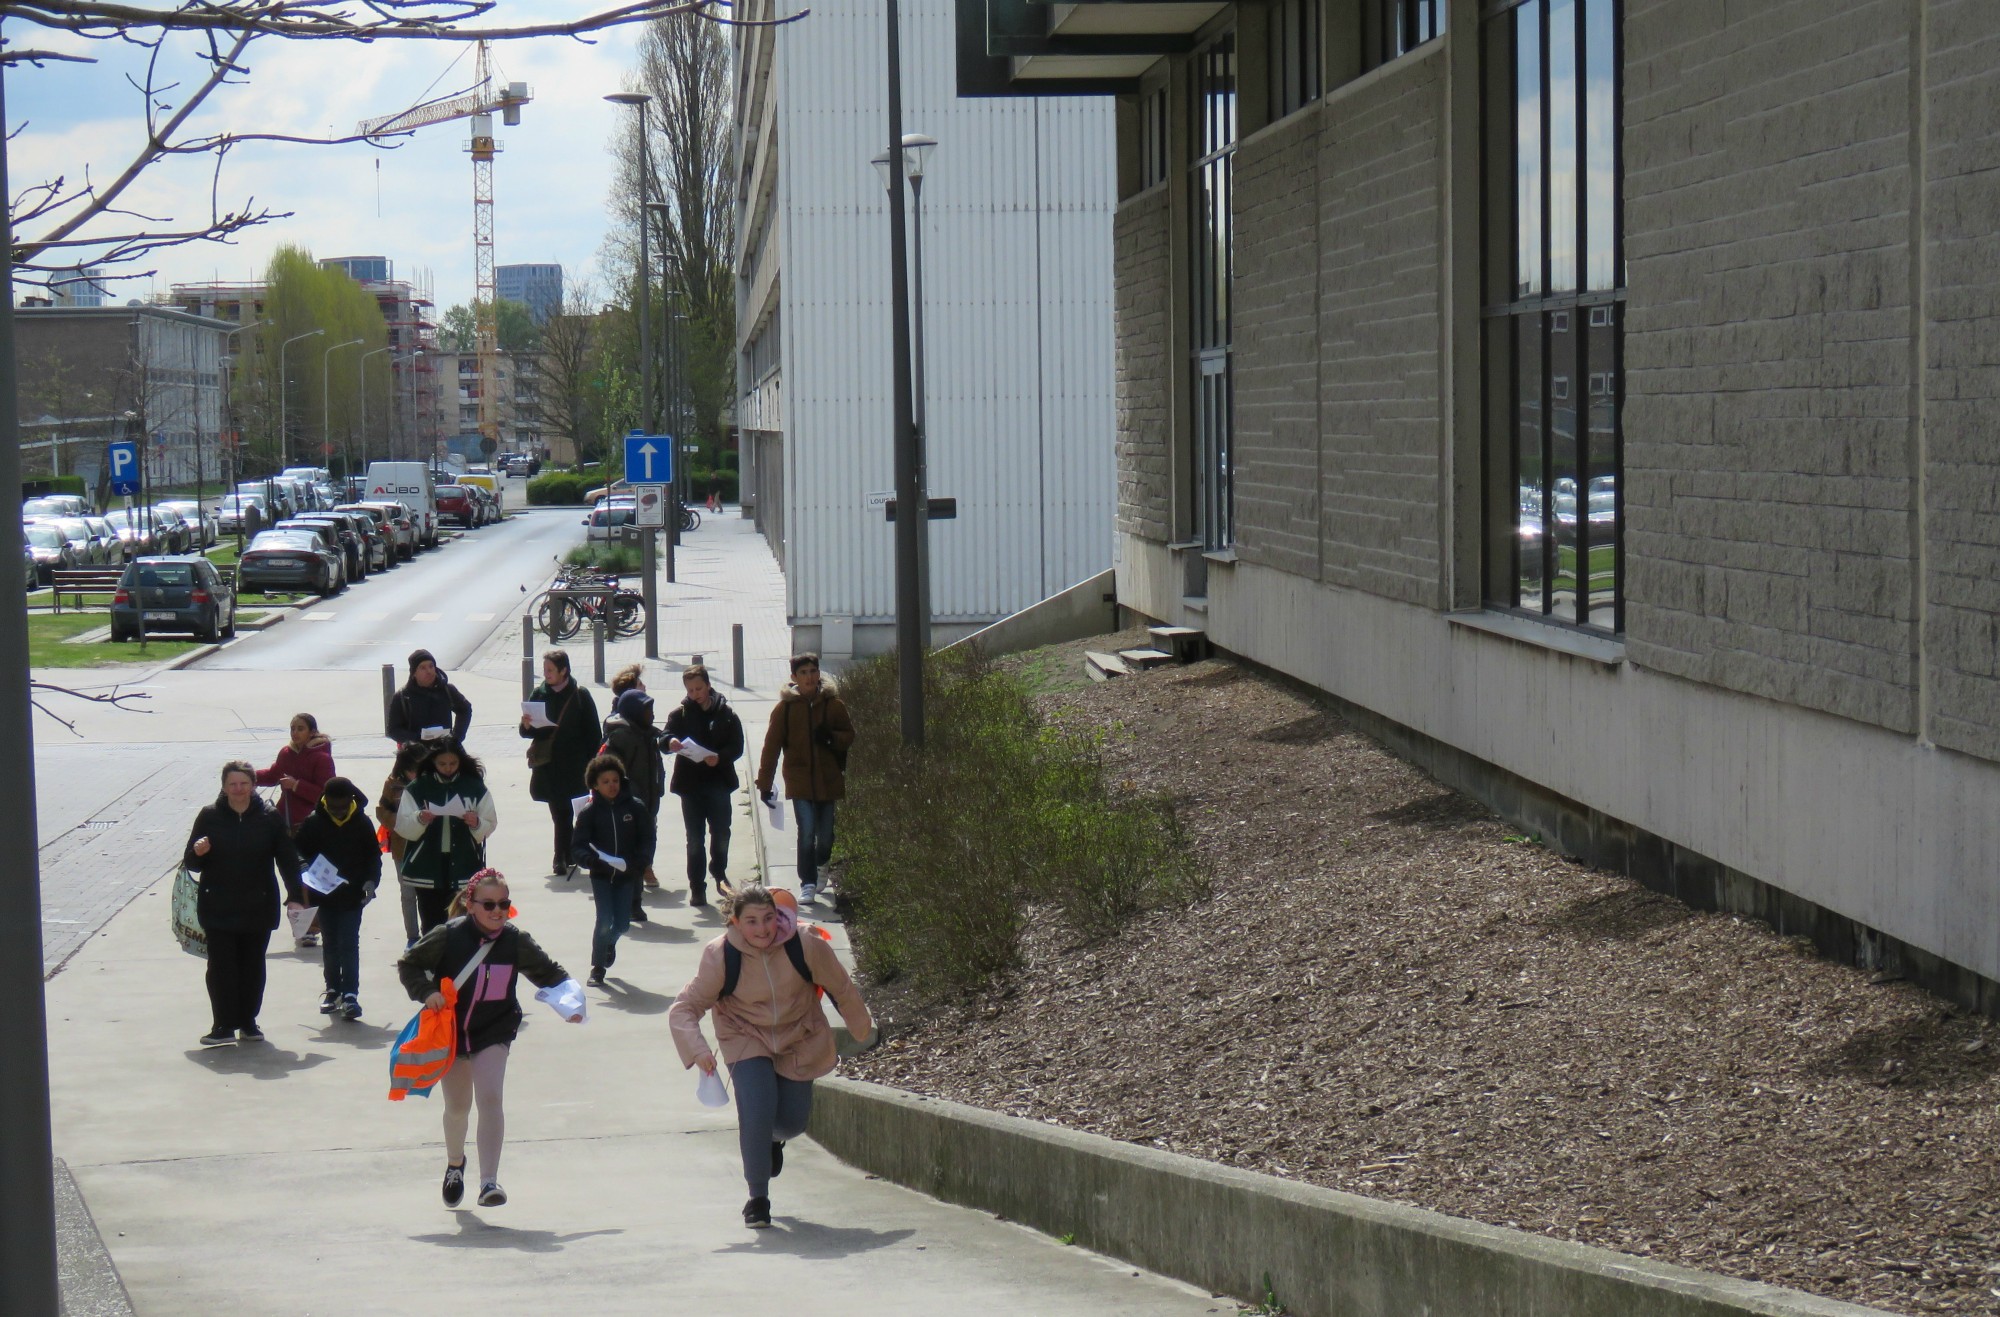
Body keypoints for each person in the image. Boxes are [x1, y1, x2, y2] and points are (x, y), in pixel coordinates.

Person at [668, 883, 875, 1228]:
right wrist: (699, 1051)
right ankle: (758, 1198)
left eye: (768, 918)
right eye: (751, 921)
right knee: (757, 1109)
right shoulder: (720, 955)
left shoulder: (805, 943)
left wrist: (860, 1028)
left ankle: (774, 1140)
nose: (762, 929)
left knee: (792, 1122)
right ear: (734, 922)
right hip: (745, 1036)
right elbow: (684, 1008)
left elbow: (840, 985)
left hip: (798, 1036)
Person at [397, 870, 580, 1210]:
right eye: (490, 904)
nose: (498, 911)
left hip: (495, 1029)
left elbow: (550, 973)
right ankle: (455, 1164)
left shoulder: (514, 941)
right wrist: (427, 992)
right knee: (457, 1107)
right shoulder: (447, 936)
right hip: (453, 1033)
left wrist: (570, 1002)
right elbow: (408, 964)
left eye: (504, 904)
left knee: (491, 1098)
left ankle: (489, 1182)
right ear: (470, 904)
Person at [181, 761, 303, 1047]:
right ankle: (223, 1024)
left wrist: (295, 896)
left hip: (257, 905)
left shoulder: (269, 817)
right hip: (217, 905)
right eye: (233, 784)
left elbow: (286, 858)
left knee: (252, 966)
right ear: (224, 787)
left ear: (253, 785)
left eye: (244, 784)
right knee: (221, 967)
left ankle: (248, 1022)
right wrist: (199, 852)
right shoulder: (209, 816)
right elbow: (191, 862)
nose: (238, 790)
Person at [755, 653, 855, 902]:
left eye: (813, 671)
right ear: (794, 678)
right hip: (799, 781)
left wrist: (831, 738)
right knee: (807, 831)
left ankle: (822, 865)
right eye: (803, 673)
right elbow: (771, 748)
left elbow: (848, 735)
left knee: (826, 834)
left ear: (819, 673)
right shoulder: (785, 710)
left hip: (828, 780)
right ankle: (807, 882)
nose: (809, 677)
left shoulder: (833, 705)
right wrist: (765, 784)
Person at [292, 776, 383, 1020]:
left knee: (349, 943)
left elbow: (373, 856)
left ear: (351, 801)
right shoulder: (314, 822)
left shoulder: (361, 822)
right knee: (331, 943)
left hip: (353, 894)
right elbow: (297, 849)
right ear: (325, 801)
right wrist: (302, 866)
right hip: (323, 894)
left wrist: (371, 881)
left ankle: (351, 994)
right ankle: (333, 990)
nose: (339, 811)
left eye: (343, 807)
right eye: (334, 807)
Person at [395, 739, 497, 936]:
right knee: (431, 925)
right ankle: (432, 964)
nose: (448, 768)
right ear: (433, 762)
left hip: (463, 864)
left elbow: (490, 823)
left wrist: (476, 823)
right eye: (442, 764)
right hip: (426, 865)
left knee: (462, 923)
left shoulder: (474, 787)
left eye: (453, 763)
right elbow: (402, 827)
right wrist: (420, 819)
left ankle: (458, 964)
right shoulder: (418, 788)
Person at [572, 753, 656, 987]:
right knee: (604, 919)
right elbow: (577, 846)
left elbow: (648, 838)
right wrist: (590, 861)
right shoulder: (589, 812)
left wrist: (642, 861)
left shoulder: (635, 807)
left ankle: (609, 943)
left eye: (615, 780)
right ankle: (598, 967)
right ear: (595, 785)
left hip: (626, 875)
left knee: (622, 924)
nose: (611, 786)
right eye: (605, 781)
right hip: (601, 875)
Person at [666, 664, 745, 908]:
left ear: (708, 686)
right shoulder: (680, 714)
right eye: (690, 690)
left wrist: (719, 757)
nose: (695, 694)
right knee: (695, 838)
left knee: (721, 832)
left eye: (699, 688)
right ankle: (697, 887)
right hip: (690, 785)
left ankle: (719, 872)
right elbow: (664, 735)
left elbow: (737, 746)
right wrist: (671, 741)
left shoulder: (726, 714)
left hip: (718, 782)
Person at [520, 649, 600, 879]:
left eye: (550, 670)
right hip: (549, 765)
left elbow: (594, 733)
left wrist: (592, 764)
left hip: (576, 766)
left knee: (575, 811)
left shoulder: (580, 695)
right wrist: (526, 725)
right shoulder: (539, 694)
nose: (546, 674)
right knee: (559, 813)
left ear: (564, 671)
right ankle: (560, 857)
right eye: (545, 670)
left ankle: (570, 853)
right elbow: (525, 733)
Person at [603, 684, 665, 918]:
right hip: (628, 808)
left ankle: (634, 901)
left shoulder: (648, 734)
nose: (652, 715)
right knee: (628, 857)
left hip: (648, 804)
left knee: (641, 854)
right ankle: (630, 902)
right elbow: (614, 774)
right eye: (648, 711)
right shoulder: (621, 738)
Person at [377, 742, 428, 947]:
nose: (414, 774)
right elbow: (382, 810)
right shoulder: (392, 785)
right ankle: (412, 937)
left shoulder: (431, 783)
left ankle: (430, 933)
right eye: (410, 769)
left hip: (426, 847)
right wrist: (399, 823)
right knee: (408, 894)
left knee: (427, 894)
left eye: (418, 769)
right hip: (402, 848)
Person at [255, 712, 336, 832]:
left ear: (312, 732)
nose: (295, 733)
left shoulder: (322, 758)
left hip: (311, 821)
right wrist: (248, 776)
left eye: (300, 729)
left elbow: (326, 796)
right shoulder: (286, 753)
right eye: (292, 729)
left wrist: (296, 785)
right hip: (283, 818)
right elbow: (273, 775)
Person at [387, 648, 474, 748]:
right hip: (416, 753)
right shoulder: (402, 696)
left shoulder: (447, 690)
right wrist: (417, 739)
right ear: (414, 673)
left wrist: (457, 737)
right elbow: (393, 730)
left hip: (445, 749)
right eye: (422, 668)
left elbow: (465, 709)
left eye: (431, 666)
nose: (428, 671)